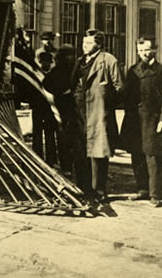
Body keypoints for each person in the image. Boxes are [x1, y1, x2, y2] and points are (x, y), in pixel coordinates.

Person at [71, 29, 124, 203]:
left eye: (89, 43)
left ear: (99, 44)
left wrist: (105, 98)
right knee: (81, 151)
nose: (84, 46)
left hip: (99, 112)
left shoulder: (109, 60)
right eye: (83, 42)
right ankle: (83, 189)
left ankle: (99, 191)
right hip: (80, 112)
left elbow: (120, 88)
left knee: (98, 153)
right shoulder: (79, 62)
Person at [121, 37, 162, 206]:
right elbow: (126, 95)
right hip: (134, 118)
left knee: (153, 156)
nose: (144, 54)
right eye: (140, 51)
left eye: (147, 50)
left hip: (152, 118)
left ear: (154, 49)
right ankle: (142, 189)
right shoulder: (133, 70)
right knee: (137, 153)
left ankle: (156, 194)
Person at [43, 44, 77, 174]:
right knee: (63, 138)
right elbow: (47, 85)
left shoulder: (74, 69)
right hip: (61, 107)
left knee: (68, 138)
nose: (71, 58)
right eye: (68, 56)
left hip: (71, 108)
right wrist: (62, 92)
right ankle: (65, 165)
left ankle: (67, 164)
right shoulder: (58, 71)